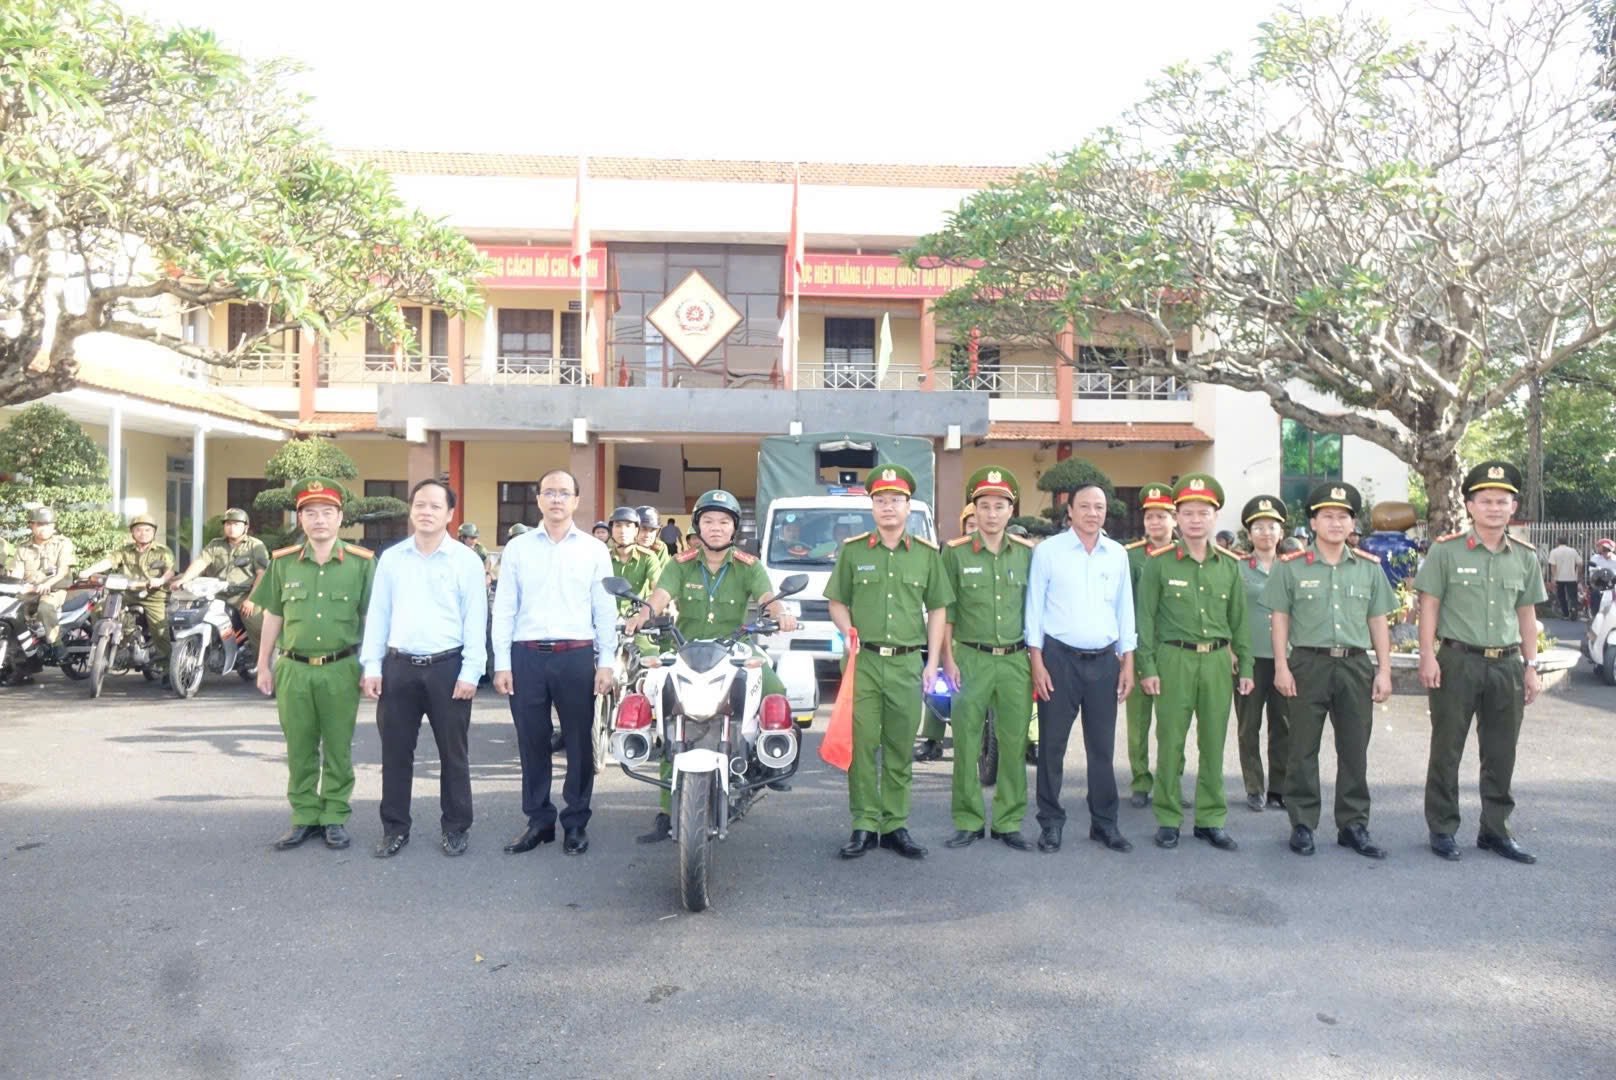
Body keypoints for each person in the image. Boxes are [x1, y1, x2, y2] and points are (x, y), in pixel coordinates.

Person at [624, 489, 800, 842]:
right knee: (670, 715)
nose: (716, 528)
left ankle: (770, 757)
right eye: (708, 521)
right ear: (698, 527)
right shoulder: (680, 563)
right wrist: (642, 615)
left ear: (734, 528)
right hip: (685, 649)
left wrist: (781, 614)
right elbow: (659, 596)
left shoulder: (749, 566)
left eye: (723, 522)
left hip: (734, 647)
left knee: (775, 689)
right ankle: (666, 811)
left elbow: (768, 598)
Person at [1415, 460, 1547, 864]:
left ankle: (1495, 830)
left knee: (1501, 752)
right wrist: (1427, 656)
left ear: (1513, 507)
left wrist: (1531, 666)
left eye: (1502, 501)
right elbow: (1429, 606)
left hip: (1506, 665)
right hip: (1458, 661)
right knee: (1447, 747)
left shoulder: (1524, 557)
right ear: (1470, 506)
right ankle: (1442, 827)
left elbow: (1527, 615)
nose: (1494, 508)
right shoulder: (1446, 551)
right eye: (1486, 501)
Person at [826, 463, 952, 861]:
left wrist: (932, 662)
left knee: (900, 747)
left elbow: (938, 609)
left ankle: (895, 824)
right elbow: (836, 601)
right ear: (872, 507)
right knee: (862, 747)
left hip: (906, 664)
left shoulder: (927, 555)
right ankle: (864, 823)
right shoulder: (853, 551)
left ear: (908, 506)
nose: (888, 507)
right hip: (863, 663)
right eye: (881, 500)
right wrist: (848, 630)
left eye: (896, 500)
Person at [1266, 483, 1397, 859]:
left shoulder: (1369, 568)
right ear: (1313, 522)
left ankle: (1353, 824)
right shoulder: (1291, 567)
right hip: (1308, 664)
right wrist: (1281, 666)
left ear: (1352, 523)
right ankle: (1302, 823)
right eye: (1327, 516)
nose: (1335, 523)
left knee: (1354, 748)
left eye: (1343, 516)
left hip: (1355, 665)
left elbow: (1378, 621)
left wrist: (1384, 670)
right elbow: (1280, 619)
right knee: (1302, 748)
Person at [360, 479, 488, 858]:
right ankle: (395, 828)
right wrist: (372, 665)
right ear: (411, 510)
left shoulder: (466, 560)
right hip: (398, 666)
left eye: (435, 506)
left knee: (453, 753)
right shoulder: (392, 559)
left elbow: (475, 618)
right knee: (395, 753)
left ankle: (456, 826)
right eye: (420, 504)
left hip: (448, 668)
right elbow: (378, 614)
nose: (426, 511)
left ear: (450, 514)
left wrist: (472, 671)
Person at [491, 469, 616, 857]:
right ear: (539, 499)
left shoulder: (594, 550)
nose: (557, 499)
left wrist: (606, 661)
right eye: (549, 492)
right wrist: (502, 662)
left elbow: (605, 609)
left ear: (577, 500)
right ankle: (539, 820)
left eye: (564, 493)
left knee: (579, 742)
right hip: (526, 656)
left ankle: (575, 821)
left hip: (576, 656)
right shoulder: (518, 548)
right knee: (532, 740)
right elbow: (505, 607)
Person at [251, 477, 375, 851]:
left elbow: (373, 618)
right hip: (294, 668)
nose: (319, 520)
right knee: (299, 746)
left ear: (340, 518)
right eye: (310, 513)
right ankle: (304, 815)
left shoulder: (361, 563)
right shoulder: (284, 562)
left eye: (326, 512)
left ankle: (334, 814)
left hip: (341, 667)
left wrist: (373, 667)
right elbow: (274, 614)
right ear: (300, 519)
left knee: (338, 746)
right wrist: (263, 664)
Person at [1136, 474, 1253, 851]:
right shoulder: (1159, 564)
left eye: (1203, 513)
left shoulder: (1229, 565)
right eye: (1188, 513)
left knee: (1214, 743)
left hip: (1217, 661)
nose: (1196, 520)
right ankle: (1168, 817)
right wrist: (1147, 667)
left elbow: (1240, 620)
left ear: (1215, 517)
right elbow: (1145, 619)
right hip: (1174, 659)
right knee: (1170, 741)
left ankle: (1210, 819)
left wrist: (1246, 666)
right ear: (1177, 518)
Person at [1026, 478, 1137, 854]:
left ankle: (1104, 823)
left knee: (1102, 748)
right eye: (1085, 506)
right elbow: (1034, 609)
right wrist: (1037, 661)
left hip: (1105, 661)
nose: (1093, 513)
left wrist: (1128, 661)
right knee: (1052, 747)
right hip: (1059, 660)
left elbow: (1125, 609)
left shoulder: (1117, 554)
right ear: (1069, 510)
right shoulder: (1049, 552)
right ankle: (1050, 823)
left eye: (1099, 507)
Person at [939, 467, 1038, 852]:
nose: (992, 514)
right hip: (970, 658)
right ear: (973, 510)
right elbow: (946, 612)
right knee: (966, 742)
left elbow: (1037, 611)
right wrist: (948, 659)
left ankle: (1008, 821)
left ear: (1011, 511)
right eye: (984, 506)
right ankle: (967, 820)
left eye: (1000, 506)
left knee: (1013, 743)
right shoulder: (955, 553)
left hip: (1015, 660)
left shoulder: (1028, 555)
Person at [1234, 495, 1291, 813]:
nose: (1266, 533)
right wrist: (1231, 649)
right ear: (1249, 534)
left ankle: (1279, 788)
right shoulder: (1238, 567)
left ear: (1281, 533)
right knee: (1248, 725)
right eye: (1258, 527)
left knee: (1283, 725)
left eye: (1271, 527)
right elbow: (1228, 612)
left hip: (1286, 659)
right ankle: (1254, 786)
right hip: (1250, 658)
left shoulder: (1293, 567)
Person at [1122, 483, 1176, 808]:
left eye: (1161, 516)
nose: (1155, 523)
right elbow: (1123, 605)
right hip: (1139, 647)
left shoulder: (1184, 555)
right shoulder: (1131, 556)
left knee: (1173, 723)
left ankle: (1171, 779)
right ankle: (1140, 779)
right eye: (1149, 517)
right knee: (1138, 722)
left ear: (1174, 520)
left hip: (1174, 650)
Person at [174, 508, 270, 646]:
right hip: (217, 594)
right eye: (228, 524)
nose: (231, 528)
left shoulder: (255, 546)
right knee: (194, 617)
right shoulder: (215, 544)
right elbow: (200, 562)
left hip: (243, 595)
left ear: (246, 527)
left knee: (259, 629)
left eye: (236, 524)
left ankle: (262, 659)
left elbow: (262, 574)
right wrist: (184, 579)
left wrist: (251, 600)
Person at [105, 513, 175, 666]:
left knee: (160, 630)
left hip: (153, 596)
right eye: (138, 530)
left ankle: (165, 666)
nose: (143, 533)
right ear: (132, 533)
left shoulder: (162, 551)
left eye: (147, 530)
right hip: (128, 594)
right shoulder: (125, 551)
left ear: (154, 532)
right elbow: (109, 561)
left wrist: (160, 580)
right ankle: (109, 650)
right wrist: (88, 571)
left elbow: (170, 571)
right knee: (100, 610)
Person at [10, 507, 76, 657]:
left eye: (48, 524)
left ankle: (56, 643)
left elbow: (62, 571)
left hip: (55, 590)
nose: (44, 528)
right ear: (31, 525)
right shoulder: (23, 548)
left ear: (54, 526)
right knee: (10, 610)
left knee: (45, 608)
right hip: (30, 591)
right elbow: (16, 575)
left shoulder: (63, 543)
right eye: (39, 524)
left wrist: (47, 584)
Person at [605, 506, 659, 616]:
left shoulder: (648, 557)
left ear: (636, 531)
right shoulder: (603, 557)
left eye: (628, 526)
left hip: (637, 617)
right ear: (611, 530)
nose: (623, 531)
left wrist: (645, 614)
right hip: (607, 617)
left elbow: (657, 586)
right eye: (618, 526)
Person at [1545, 536, 1580, 619]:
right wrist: (1577, 574)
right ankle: (1573, 609)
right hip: (1571, 578)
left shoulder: (1554, 551)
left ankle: (1566, 614)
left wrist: (1553, 578)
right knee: (1572, 596)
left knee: (1561, 596)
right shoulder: (1573, 551)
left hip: (1559, 578)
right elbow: (1580, 563)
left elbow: (1553, 566)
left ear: (1558, 542)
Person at [636, 506, 672, 581]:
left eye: (652, 530)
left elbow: (664, 577)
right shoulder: (625, 547)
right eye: (643, 529)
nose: (647, 535)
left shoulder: (659, 547)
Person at [1588, 538, 1616, 615]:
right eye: (1603, 549)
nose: (1605, 552)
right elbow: (1591, 570)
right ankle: (1595, 614)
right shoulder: (1595, 558)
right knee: (1595, 594)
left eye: (1607, 550)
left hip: (1613, 584)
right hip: (1598, 583)